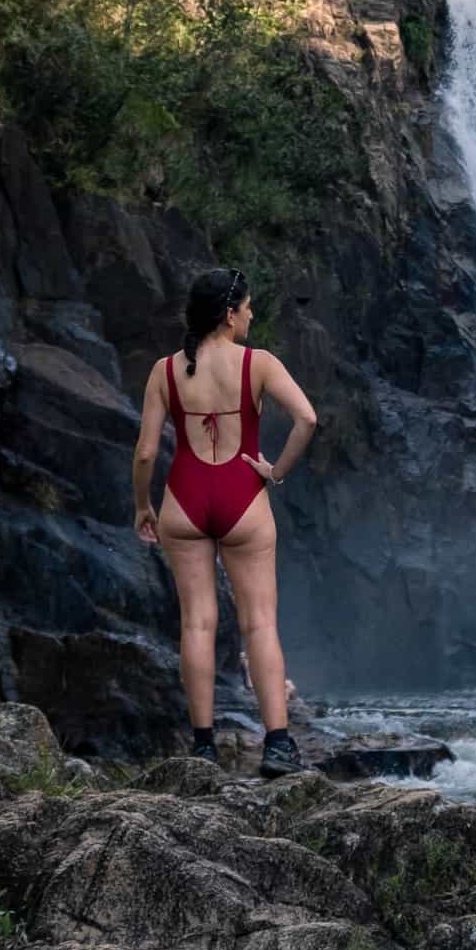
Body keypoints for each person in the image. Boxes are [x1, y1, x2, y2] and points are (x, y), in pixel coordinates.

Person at [132, 267, 319, 777]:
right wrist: (275, 472)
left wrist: (142, 507)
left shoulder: (165, 371)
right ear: (230, 314)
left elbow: (148, 452)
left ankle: (202, 748)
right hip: (242, 496)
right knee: (259, 623)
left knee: (196, 622)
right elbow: (308, 419)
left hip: (185, 499)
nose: (253, 314)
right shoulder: (258, 364)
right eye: (249, 306)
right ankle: (278, 745)